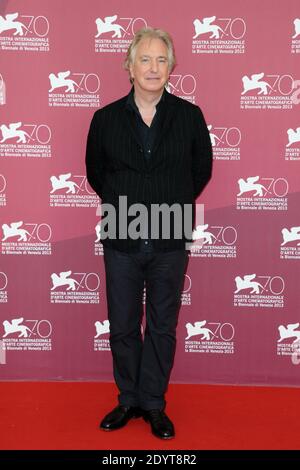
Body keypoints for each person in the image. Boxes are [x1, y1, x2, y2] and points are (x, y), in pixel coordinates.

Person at [86, 27, 212, 440]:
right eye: (145, 59)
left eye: (161, 60)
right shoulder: (104, 119)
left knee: (161, 325)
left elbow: (200, 171)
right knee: (122, 323)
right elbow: (96, 173)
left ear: (171, 67)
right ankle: (129, 400)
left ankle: (154, 403)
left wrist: (167, 203)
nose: (154, 68)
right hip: (121, 231)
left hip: (170, 233)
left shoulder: (190, 116)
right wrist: (131, 203)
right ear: (129, 66)